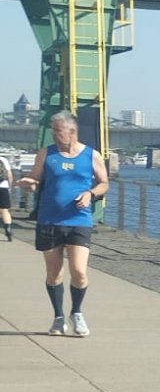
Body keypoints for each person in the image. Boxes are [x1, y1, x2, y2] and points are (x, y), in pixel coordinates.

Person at [18, 109, 107, 335]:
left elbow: (104, 183)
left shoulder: (91, 155)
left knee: (79, 271)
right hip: (49, 220)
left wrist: (90, 194)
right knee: (54, 273)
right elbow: (35, 178)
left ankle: (76, 312)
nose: (55, 135)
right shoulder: (46, 154)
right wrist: (30, 183)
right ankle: (58, 317)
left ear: (72, 131)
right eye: (53, 131)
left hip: (79, 220)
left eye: (59, 131)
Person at [0, 153, 13, 241]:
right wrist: (10, 187)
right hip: (3, 186)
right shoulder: (3, 159)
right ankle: (8, 228)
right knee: (4, 210)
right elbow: (9, 175)